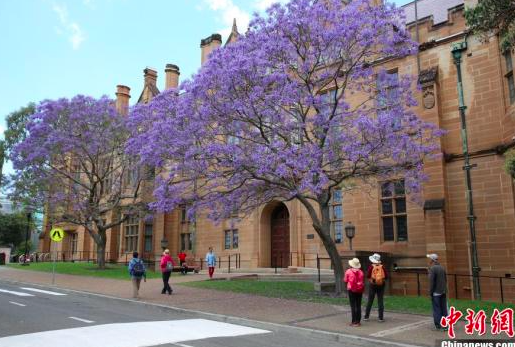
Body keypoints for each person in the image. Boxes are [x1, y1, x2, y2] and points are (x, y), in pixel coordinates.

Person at [364, 253, 388, 322]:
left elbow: (368, 276)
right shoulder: (382, 267)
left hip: (372, 285)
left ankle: (366, 316)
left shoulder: (371, 267)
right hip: (381, 285)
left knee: (370, 301)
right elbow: (386, 276)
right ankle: (380, 317)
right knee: (380, 301)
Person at [428, 253, 448, 331]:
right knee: (444, 308)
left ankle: (439, 325)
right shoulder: (442, 268)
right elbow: (445, 280)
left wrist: (430, 292)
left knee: (437, 309)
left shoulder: (433, 269)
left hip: (436, 292)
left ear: (432, 260)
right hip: (443, 291)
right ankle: (445, 325)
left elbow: (431, 282)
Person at [344, 257, 365, 327]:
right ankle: (358, 321)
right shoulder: (361, 272)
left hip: (351, 290)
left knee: (353, 306)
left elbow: (345, 280)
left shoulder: (348, 271)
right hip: (359, 290)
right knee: (358, 305)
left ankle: (354, 322)